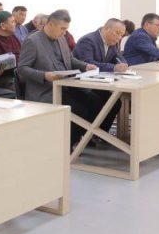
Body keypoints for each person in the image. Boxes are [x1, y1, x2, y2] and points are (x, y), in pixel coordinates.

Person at [18, 10, 108, 145]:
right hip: (46, 90)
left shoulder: (61, 38)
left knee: (96, 100)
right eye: (62, 29)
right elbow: (22, 68)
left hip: (66, 85)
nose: (65, 32)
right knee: (79, 108)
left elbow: (70, 59)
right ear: (51, 25)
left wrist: (85, 66)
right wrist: (44, 75)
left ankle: (83, 137)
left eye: (66, 29)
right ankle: (68, 145)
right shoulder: (32, 41)